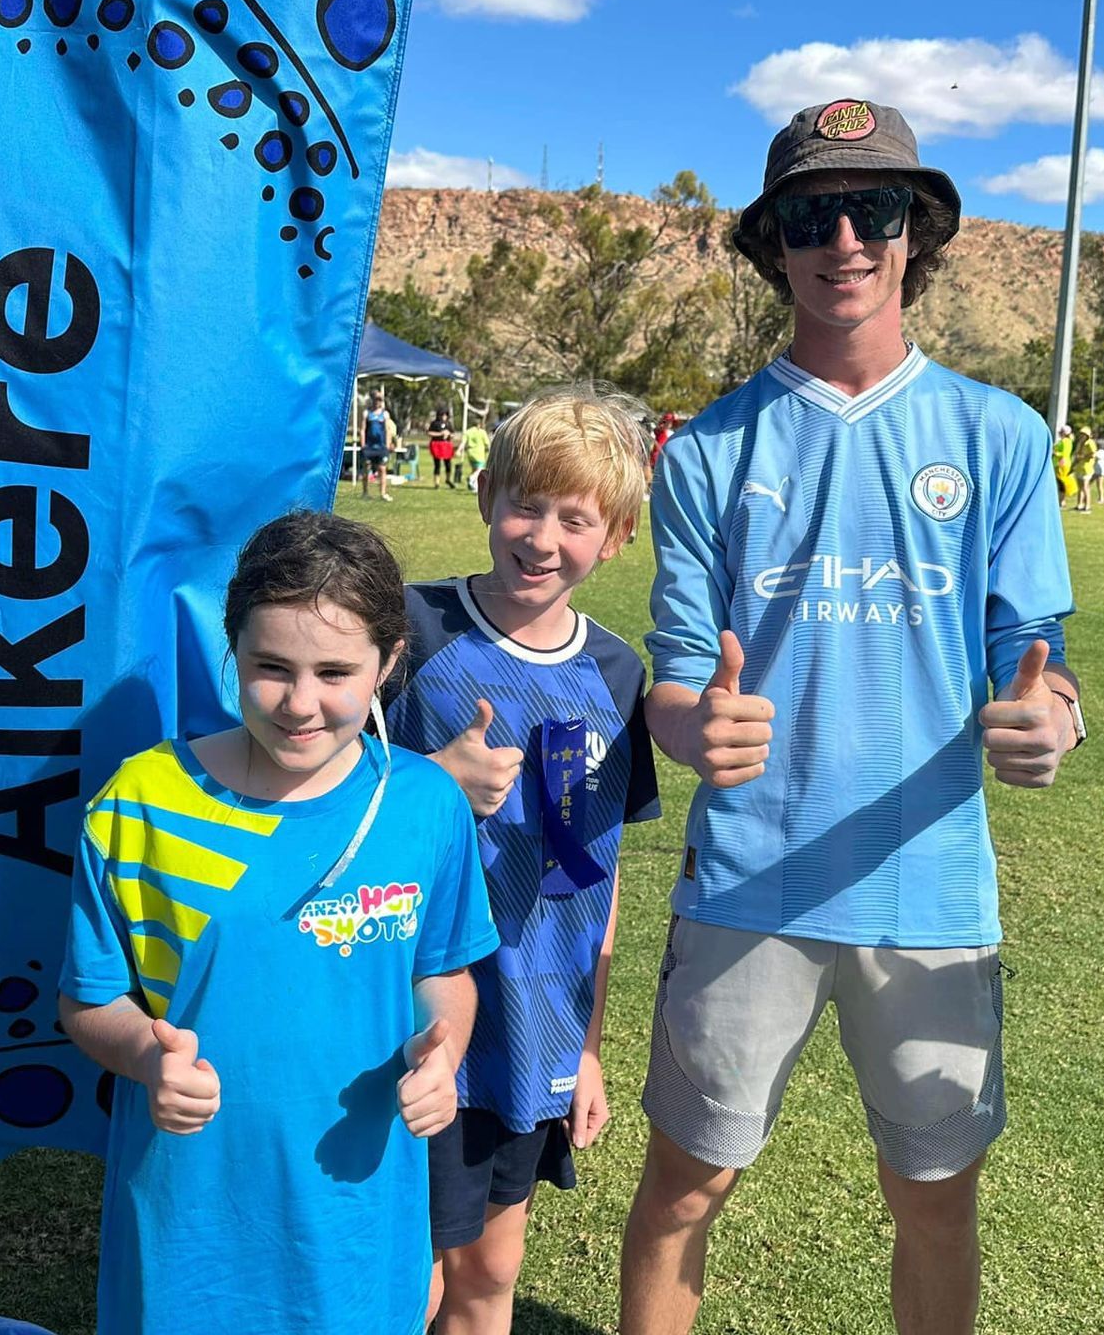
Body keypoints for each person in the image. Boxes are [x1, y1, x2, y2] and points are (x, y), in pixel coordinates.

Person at [621, 98, 1084, 1335]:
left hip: (929, 885)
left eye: (871, 209)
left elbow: (1036, 656)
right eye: (810, 215)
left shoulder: (998, 434)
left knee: (934, 1200)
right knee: (683, 1190)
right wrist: (687, 728)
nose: (842, 239)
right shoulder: (708, 450)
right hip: (747, 879)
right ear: (773, 240)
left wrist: (1055, 720)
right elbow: (675, 674)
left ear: (912, 234)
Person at [59, 511, 500, 1335]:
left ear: (388, 664)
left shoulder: (424, 804)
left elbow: (442, 973)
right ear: (232, 647)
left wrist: (445, 1051)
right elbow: (88, 999)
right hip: (189, 1229)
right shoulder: (144, 800)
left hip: (358, 1228)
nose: (301, 704)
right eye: (270, 667)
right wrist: (143, 1058)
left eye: (336, 671)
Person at [388, 388, 662, 1335]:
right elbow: (312, 789)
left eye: (575, 518)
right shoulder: (409, 628)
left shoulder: (619, 675)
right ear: (483, 496)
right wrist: (431, 781)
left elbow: (600, 872)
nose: (543, 537)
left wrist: (585, 1049)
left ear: (616, 536)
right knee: (396, 1274)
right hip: (409, 1012)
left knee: (490, 1272)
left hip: (533, 1025)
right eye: (526, 504)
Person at [362, 388, 395, 501]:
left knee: (382, 469)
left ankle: (383, 493)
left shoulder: (385, 414)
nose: (378, 402)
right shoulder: (367, 413)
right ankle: (365, 492)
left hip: (381, 446)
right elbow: (363, 429)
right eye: (376, 400)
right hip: (369, 446)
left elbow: (388, 430)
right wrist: (363, 444)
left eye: (380, 400)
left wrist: (388, 444)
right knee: (366, 468)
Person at [461, 415, 492, 492]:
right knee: (480, 469)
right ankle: (471, 478)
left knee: (474, 469)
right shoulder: (482, 432)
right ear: (479, 424)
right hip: (479, 453)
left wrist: (459, 450)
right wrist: (489, 450)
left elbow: (463, 442)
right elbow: (487, 444)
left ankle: (473, 486)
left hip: (470, 453)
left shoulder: (467, 432)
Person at [429, 406, 457, 489]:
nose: (444, 417)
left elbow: (453, 434)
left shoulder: (448, 423)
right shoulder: (434, 423)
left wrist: (449, 434)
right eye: (442, 415)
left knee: (448, 464)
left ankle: (448, 479)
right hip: (437, 444)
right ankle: (436, 482)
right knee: (437, 464)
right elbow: (430, 433)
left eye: (445, 415)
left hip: (446, 445)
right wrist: (441, 434)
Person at [1072, 426, 1097, 513]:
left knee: (1085, 487)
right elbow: (1076, 455)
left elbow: (1093, 454)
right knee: (1080, 487)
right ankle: (1079, 504)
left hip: (1087, 467)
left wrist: (1083, 457)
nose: (1082, 436)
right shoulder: (1080, 443)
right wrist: (1073, 465)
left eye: (1084, 434)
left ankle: (1087, 506)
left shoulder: (1090, 443)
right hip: (1079, 467)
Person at [1054, 423, 1074, 507]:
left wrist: (1055, 453)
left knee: (1061, 483)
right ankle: (1061, 500)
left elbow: (1064, 453)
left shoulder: (1065, 441)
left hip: (1062, 464)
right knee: (1059, 483)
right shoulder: (1065, 441)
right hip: (1060, 464)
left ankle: (1062, 501)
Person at [1092, 437, 1104, 505]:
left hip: (1101, 471)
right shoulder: (1097, 452)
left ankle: (1101, 498)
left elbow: (1095, 456)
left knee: (1100, 485)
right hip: (1095, 471)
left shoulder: (1101, 452)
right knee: (1089, 483)